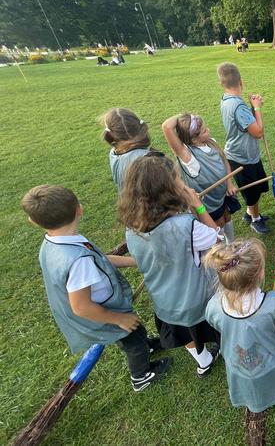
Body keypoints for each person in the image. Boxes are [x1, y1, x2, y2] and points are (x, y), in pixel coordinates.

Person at [21, 185, 171, 392]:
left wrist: (135, 262)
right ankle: (141, 376)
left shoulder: (58, 243)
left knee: (133, 332)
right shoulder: (76, 260)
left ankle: (146, 345)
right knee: (132, 338)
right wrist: (119, 319)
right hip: (102, 313)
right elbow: (82, 307)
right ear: (79, 210)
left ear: (34, 222)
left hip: (103, 308)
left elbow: (100, 260)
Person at [119, 154, 222, 377]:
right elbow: (218, 244)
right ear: (168, 189)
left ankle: (203, 361)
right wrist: (198, 207)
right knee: (214, 330)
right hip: (199, 301)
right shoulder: (186, 226)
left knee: (185, 335)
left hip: (166, 305)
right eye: (177, 178)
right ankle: (220, 352)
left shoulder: (132, 229)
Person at [204, 240, 275, 445]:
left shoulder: (213, 307)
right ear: (260, 275)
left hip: (239, 369)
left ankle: (266, 414)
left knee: (252, 397)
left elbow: (214, 323)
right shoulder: (272, 304)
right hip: (272, 366)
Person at [162, 113, 239, 241]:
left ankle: (231, 243)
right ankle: (226, 250)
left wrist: (229, 183)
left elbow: (224, 161)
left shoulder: (210, 142)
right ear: (194, 139)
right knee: (218, 225)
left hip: (223, 194)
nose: (208, 130)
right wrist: (184, 117)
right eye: (204, 131)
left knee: (227, 217)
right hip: (209, 203)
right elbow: (167, 127)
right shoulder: (188, 157)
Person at [218, 62, 271, 234]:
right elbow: (258, 132)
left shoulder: (226, 100)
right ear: (241, 81)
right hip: (242, 157)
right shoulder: (238, 106)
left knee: (257, 187)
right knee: (252, 192)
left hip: (245, 154)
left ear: (222, 83)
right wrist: (256, 108)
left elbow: (243, 122)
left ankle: (250, 213)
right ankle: (255, 220)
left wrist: (251, 109)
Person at [100, 108, 151, 191]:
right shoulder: (146, 159)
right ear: (139, 126)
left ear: (111, 134)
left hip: (127, 202)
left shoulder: (114, 153)